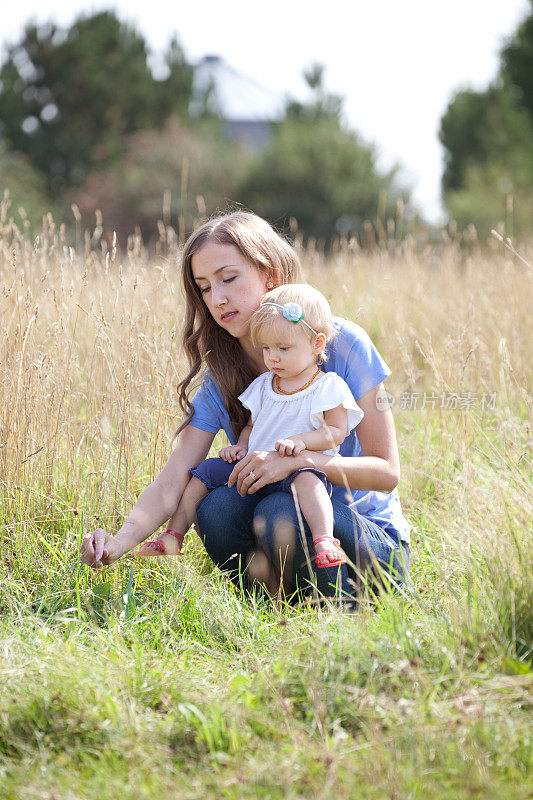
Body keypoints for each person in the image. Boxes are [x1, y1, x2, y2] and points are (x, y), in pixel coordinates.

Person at [80, 211, 410, 603]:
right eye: (204, 287)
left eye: (229, 278)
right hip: (285, 541)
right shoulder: (222, 378)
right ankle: (278, 609)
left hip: (368, 546)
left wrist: (299, 462)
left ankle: (344, 613)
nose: (217, 299)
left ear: (269, 275)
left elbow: (387, 472)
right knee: (216, 508)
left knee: (279, 510)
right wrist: (118, 542)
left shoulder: (343, 344)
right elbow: (173, 480)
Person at [136, 284, 364, 578]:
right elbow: (252, 425)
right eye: (266, 348)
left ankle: (323, 540)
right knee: (202, 475)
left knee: (311, 483)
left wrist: (301, 443)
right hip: (252, 468)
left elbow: (336, 432)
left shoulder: (327, 387)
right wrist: (241, 446)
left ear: (317, 344)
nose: (273, 358)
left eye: (283, 348)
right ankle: (173, 535)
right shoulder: (264, 385)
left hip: (294, 470)